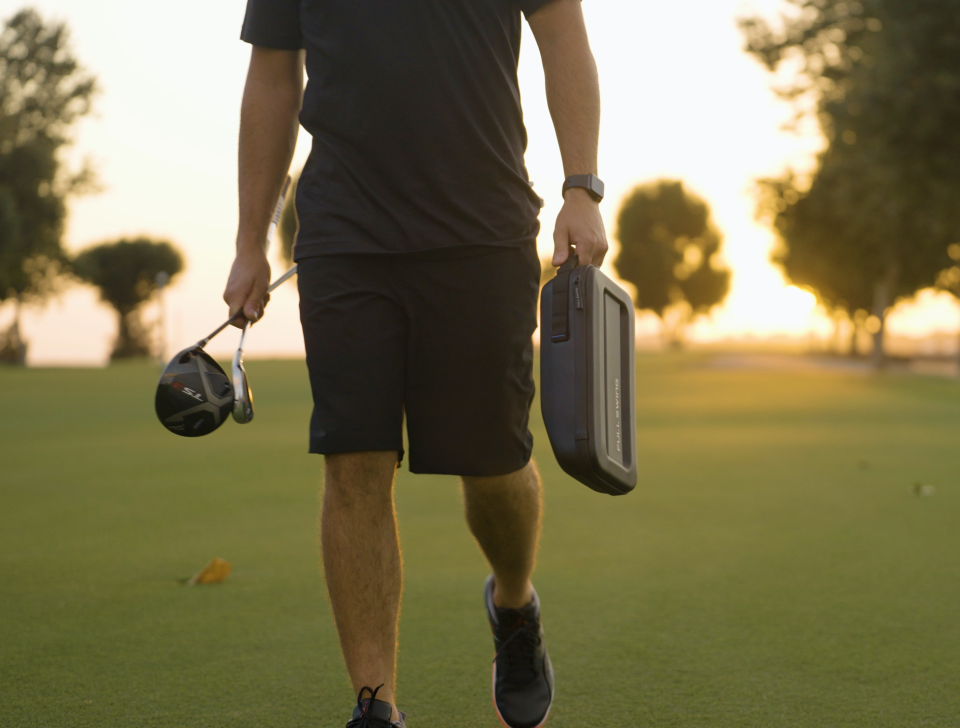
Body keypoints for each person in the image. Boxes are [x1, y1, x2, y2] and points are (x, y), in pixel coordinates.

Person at [223, 0, 607, 725]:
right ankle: (376, 706)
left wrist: (581, 188)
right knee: (353, 458)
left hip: (480, 228)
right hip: (344, 232)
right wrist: (250, 238)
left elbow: (562, 30)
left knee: (494, 464)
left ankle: (514, 603)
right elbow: (273, 74)